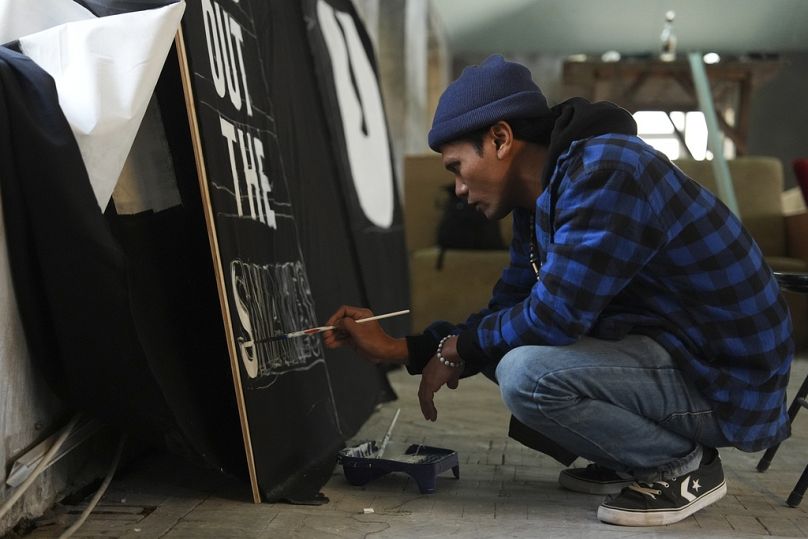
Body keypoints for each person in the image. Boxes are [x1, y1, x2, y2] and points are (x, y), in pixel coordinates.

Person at [323, 54, 793, 527]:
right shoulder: (543, 198)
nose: (459, 189)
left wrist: (456, 349)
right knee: (505, 343)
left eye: (457, 167)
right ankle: (631, 456)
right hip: (675, 352)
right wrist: (406, 347)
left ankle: (681, 465)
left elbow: (554, 317)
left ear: (500, 138)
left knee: (527, 373)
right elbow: (508, 308)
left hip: (728, 379)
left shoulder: (607, 171)